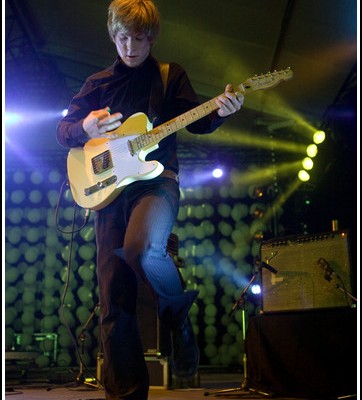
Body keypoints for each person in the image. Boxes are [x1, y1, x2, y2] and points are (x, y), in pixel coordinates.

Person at [56, 0, 244, 398]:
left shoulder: (168, 75)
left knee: (140, 250)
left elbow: (199, 119)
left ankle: (177, 315)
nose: (130, 46)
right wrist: (85, 126)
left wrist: (222, 109)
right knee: (114, 301)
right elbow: (64, 131)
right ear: (113, 35)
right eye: (122, 37)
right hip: (109, 195)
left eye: (139, 38)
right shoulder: (97, 84)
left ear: (151, 37)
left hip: (157, 183)